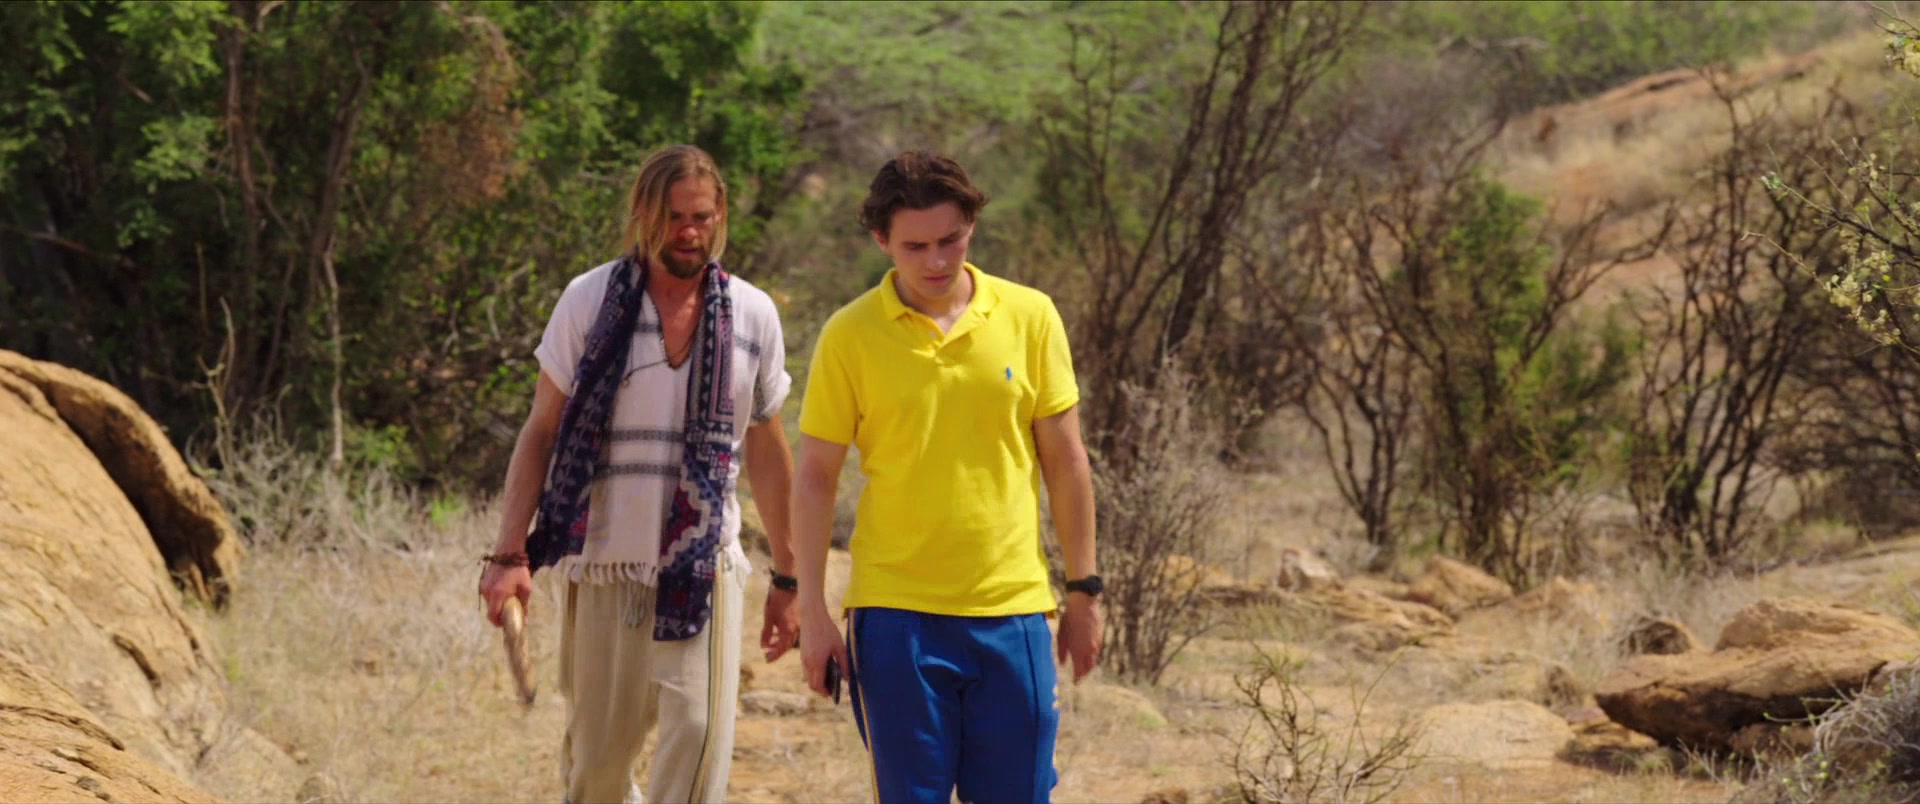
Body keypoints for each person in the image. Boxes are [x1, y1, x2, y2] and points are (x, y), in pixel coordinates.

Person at [476, 144, 798, 804]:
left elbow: (768, 450)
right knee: (596, 769)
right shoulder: (588, 300)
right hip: (604, 564)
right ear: (641, 215)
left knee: (699, 739)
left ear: (721, 215)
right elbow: (541, 431)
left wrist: (791, 578)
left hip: (704, 568)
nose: (688, 232)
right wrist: (510, 553)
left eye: (701, 217)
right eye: (672, 217)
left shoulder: (753, 314)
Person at [791, 151, 1102, 804]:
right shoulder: (849, 334)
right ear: (881, 240)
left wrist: (1084, 591)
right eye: (916, 246)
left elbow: (1068, 461)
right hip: (895, 616)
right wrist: (813, 612)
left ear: (972, 226)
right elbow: (815, 475)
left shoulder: (1031, 316)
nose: (936, 261)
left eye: (951, 240)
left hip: (1013, 609)